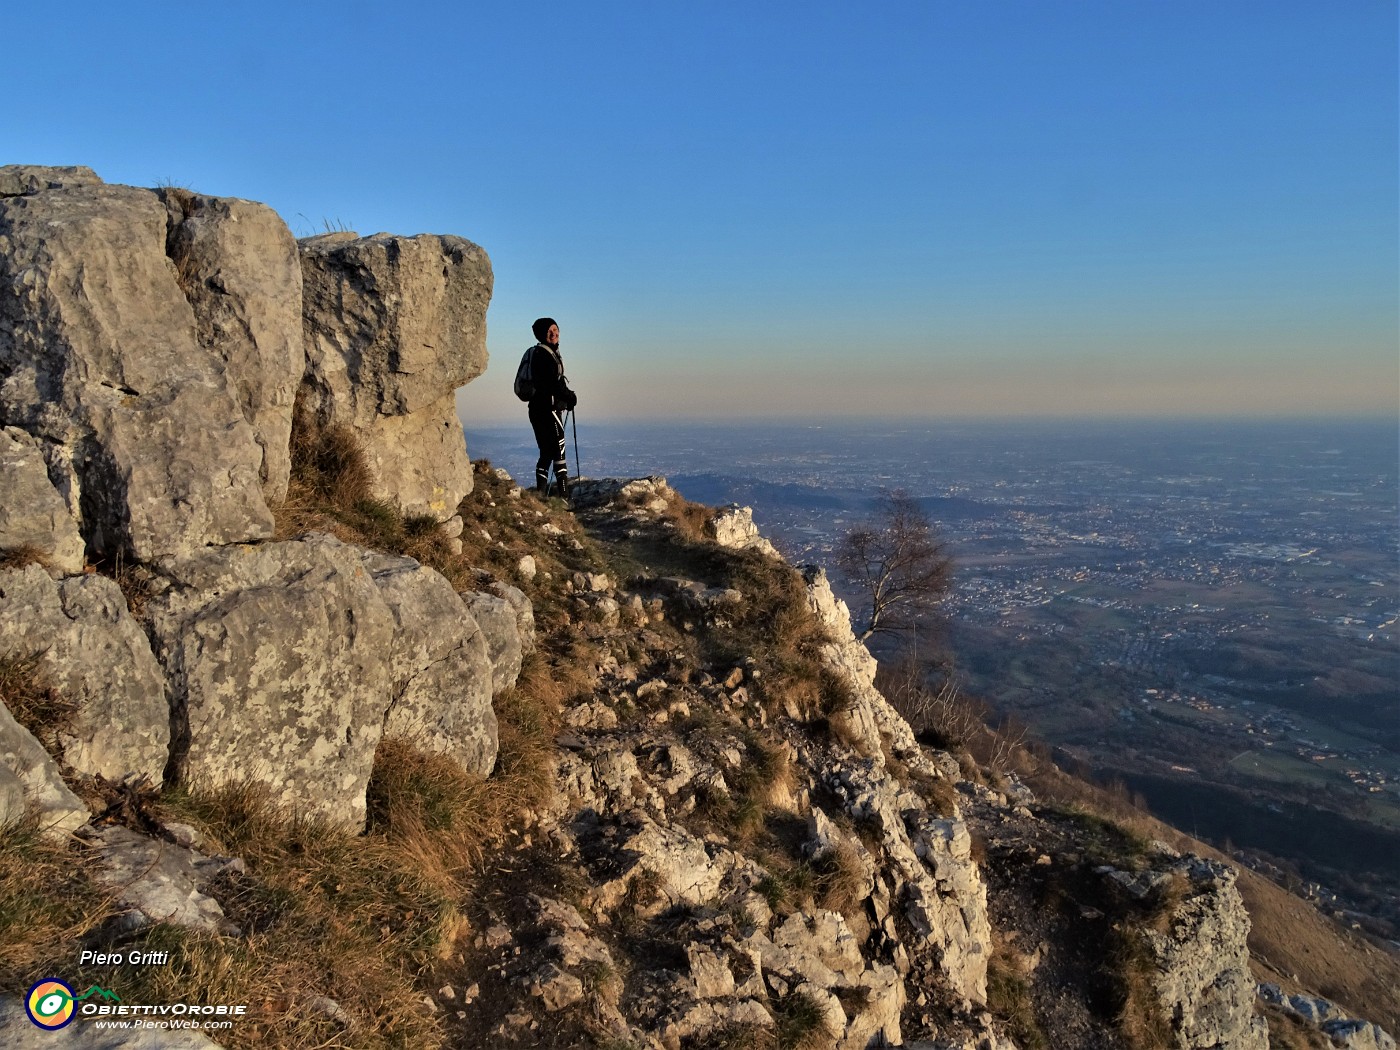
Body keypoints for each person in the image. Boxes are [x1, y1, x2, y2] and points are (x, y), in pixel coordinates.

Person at [525, 317, 577, 498]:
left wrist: (566, 395)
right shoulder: (545, 355)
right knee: (559, 450)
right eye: (549, 331)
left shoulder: (541, 353)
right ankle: (563, 497)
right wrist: (570, 396)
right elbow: (553, 384)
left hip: (536, 409)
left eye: (555, 329)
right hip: (549, 409)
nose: (553, 333)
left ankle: (540, 495)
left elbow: (553, 383)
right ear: (541, 334)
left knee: (546, 451)